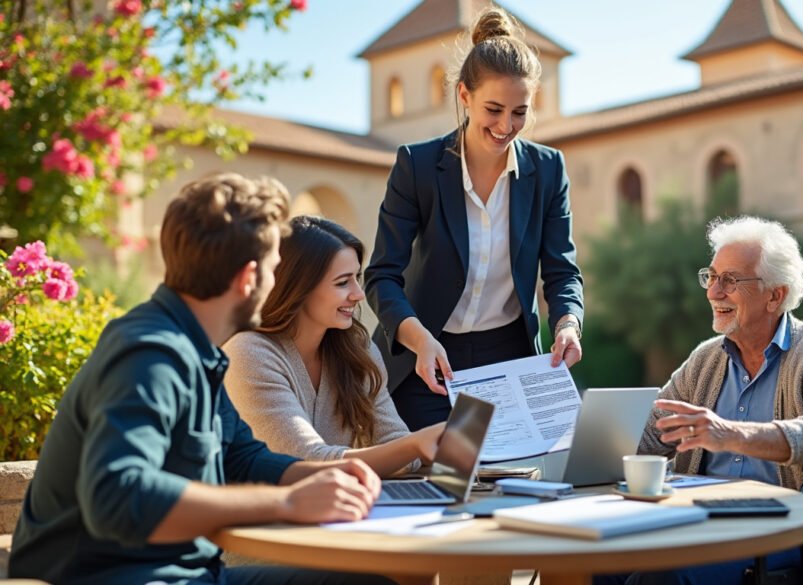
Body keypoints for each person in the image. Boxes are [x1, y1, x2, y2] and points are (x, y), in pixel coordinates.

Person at [9, 174, 394, 585]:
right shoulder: (150, 354)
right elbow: (118, 497)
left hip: (190, 574)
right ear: (249, 278)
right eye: (274, 269)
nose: (277, 283)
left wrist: (332, 477)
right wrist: (286, 502)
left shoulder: (199, 350)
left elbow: (244, 458)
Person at [601, 216, 803, 585]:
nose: (713, 292)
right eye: (712, 276)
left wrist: (732, 434)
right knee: (597, 566)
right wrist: (575, 448)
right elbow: (651, 433)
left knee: (661, 579)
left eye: (730, 280)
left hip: (794, 528)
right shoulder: (706, 359)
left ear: (775, 295)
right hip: (701, 523)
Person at [365, 7, 585, 431]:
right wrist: (418, 339)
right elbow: (381, 276)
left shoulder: (549, 170)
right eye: (494, 109)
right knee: (438, 479)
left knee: (509, 482)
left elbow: (562, 272)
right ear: (464, 95)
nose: (507, 126)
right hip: (425, 360)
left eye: (520, 111)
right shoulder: (418, 166)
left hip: (509, 360)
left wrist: (568, 324)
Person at [223, 216, 444, 478]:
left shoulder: (357, 348)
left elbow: (393, 441)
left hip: (335, 509)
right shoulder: (249, 354)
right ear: (299, 288)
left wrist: (424, 448)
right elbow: (307, 460)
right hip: (263, 514)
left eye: (357, 278)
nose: (358, 294)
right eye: (342, 282)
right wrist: (413, 445)